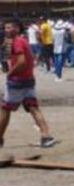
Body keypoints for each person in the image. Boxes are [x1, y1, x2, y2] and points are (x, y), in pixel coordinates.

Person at [0, 20, 56, 149]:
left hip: (17, 80)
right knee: (33, 107)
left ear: (17, 28)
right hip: (28, 79)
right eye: (6, 27)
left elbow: (21, 62)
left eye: (9, 27)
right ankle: (46, 136)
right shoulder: (23, 40)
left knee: (5, 108)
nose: (7, 29)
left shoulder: (18, 42)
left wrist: (10, 73)